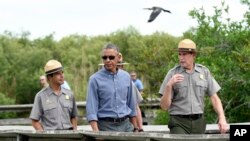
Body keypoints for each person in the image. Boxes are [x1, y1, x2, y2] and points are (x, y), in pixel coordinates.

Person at [159, 39, 228, 134]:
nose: (181, 58)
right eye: (179, 54)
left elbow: (214, 98)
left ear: (193, 55)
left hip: (199, 122)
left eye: (184, 54)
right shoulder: (172, 73)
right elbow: (164, 106)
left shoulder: (204, 72)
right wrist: (169, 85)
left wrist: (222, 118)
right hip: (178, 122)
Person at [86, 43, 138, 132]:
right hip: (105, 127)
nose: (107, 60)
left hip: (126, 126)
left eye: (111, 57)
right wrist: (97, 133)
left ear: (118, 57)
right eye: (104, 57)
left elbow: (132, 105)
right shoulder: (94, 79)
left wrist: (136, 128)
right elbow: (91, 110)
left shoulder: (126, 77)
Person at [30, 59, 78, 130]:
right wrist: (44, 136)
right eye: (58, 73)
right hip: (51, 136)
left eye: (62, 72)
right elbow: (34, 121)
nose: (62, 75)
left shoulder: (69, 94)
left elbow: (74, 116)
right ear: (50, 77)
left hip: (69, 136)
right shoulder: (41, 96)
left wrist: (75, 133)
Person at [117, 53, 144, 132]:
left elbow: (135, 106)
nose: (117, 67)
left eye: (120, 65)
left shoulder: (130, 82)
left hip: (127, 124)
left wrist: (140, 127)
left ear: (122, 67)